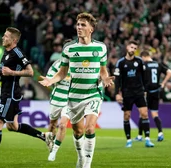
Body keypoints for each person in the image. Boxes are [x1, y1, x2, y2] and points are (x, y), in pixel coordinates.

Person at [39, 12, 114, 168]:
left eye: (83, 25)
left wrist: (105, 77)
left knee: (90, 128)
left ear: (91, 29)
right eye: (78, 24)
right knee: (78, 132)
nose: (79, 27)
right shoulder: (69, 49)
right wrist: (51, 80)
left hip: (94, 93)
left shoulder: (101, 47)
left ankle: (87, 164)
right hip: (74, 96)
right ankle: (80, 158)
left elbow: (103, 69)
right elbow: (63, 72)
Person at [0, 27, 53, 167]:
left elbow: (30, 72)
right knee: (12, 126)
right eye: (3, 35)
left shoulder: (18, 52)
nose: (3, 37)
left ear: (14, 40)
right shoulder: (6, 52)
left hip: (10, 94)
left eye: (6, 36)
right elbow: (6, 71)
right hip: (7, 93)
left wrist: (12, 72)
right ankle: (45, 136)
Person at [114, 41, 154, 148]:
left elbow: (145, 77)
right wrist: (117, 93)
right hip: (127, 93)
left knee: (144, 114)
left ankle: (147, 139)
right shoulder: (120, 62)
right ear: (127, 47)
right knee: (127, 116)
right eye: (131, 47)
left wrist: (145, 90)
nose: (133, 49)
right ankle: (128, 140)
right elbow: (117, 80)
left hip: (139, 92)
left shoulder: (140, 61)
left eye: (135, 48)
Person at [140, 51, 171, 141]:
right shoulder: (158, 64)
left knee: (143, 114)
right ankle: (160, 133)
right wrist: (163, 83)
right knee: (155, 114)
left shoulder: (144, 65)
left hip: (147, 92)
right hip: (156, 92)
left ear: (143, 57)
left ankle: (140, 136)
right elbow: (170, 72)